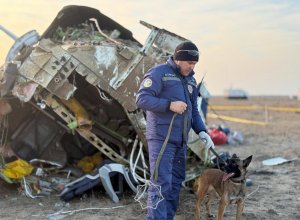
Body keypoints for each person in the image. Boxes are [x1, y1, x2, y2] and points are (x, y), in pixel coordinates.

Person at [136, 41, 214, 220]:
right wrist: (169, 105)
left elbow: (193, 109)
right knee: (161, 184)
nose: (192, 67)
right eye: (190, 63)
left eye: (195, 63)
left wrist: (202, 131)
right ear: (179, 59)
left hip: (181, 140)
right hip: (161, 139)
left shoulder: (191, 80)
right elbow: (141, 99)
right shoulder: (159, 73)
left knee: (175, 184)